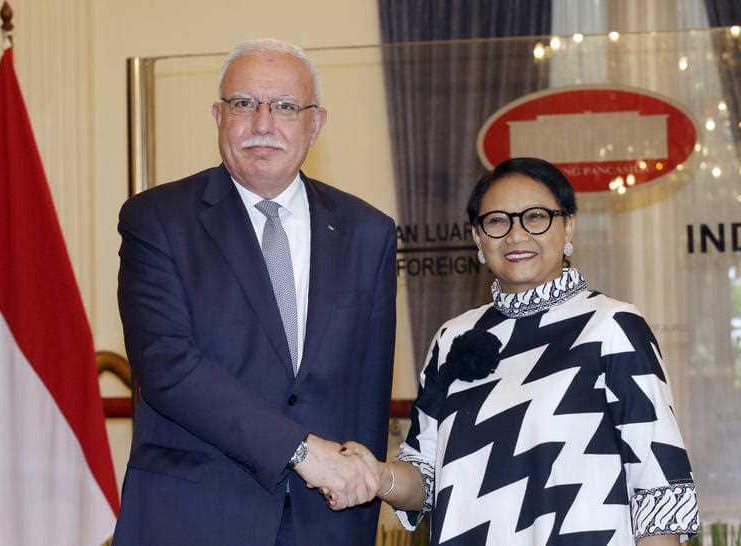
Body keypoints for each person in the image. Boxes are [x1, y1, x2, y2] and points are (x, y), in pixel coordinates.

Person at [112, 39, 396, 546]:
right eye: (244, 104)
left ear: (316, 124)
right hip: (193, 520)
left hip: (325, 523)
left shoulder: (368, 232)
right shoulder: (156, 220)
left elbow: (367, 395)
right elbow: (167, 367)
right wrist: (303, 451)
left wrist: (358, 510)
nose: (263, 123)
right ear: (219, 116)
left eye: (285, 106)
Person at [340, 157, 700, 545]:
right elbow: (426, 477)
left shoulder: (612, 326)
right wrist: (377, 476)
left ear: (568, 227)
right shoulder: (452, 338)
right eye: (497, 221)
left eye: (536, 217)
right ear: (478, 238)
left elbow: (657, 484)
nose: (516, 235)